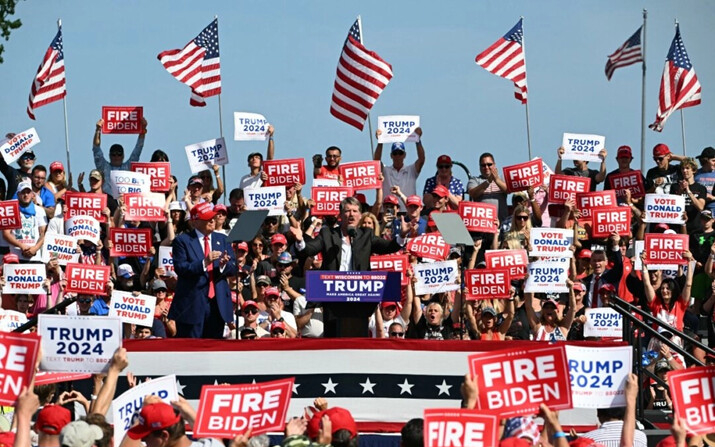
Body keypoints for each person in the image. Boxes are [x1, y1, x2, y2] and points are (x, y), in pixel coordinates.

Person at [169, 202, 238, 338]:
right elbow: (181, 268)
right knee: (191, 352)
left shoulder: (223, 239)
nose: (212, 220)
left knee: (214, 351)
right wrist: (204, 263)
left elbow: (234, 267)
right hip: (191, 306)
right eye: (207, 218)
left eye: (213, 217)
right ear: (195, 222)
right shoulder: (182, 241)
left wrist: (224, 265)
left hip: (217, 306)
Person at [122, 396, 223, 447]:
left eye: (146, 436)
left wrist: (142, 413)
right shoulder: (212, 444)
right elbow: (212, 437)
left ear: (164, 436)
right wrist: (190, 413)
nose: (143, 441)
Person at [92, 116, 148, 195]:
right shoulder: (103, 167)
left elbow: (138, 149)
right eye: (113, 154)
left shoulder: (127, 167)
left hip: (123, 202)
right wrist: (98, 130)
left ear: (123, 156)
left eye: (119, 154)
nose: (116, 157)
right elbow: (96, 149)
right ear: (110, 155)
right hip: (107, 202)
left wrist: (143, 130)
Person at [373, 128, 425, 212]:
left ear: (404, 155)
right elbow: (376, 162)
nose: (398, 156)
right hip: (388, 212)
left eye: (400, 153)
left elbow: (421, 159)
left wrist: (418, 140)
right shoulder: (386, 170)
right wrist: (380, 142)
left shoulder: (411, 170)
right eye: (395, 153)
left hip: (408, 212)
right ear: (391, 155)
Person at [3, 180, 46, 261]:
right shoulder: (10, 209)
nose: (26, 195)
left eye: (28, 192)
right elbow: (6, 234)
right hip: (16, 257)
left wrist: (35, 249)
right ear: (18, 194)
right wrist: (21, 246)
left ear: (32, 194)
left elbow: (43, 234)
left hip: (35, 258)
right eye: (23, 192)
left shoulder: (40, 210)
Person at [468, 153, 509, 221]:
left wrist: (496, 180)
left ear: (494, 165)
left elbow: (508, 190)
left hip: (501, 224)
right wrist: (488, 181)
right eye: (483, 165)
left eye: (489, 164)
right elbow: (473, 194)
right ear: (479, 167)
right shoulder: (474, 180)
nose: (486, 167)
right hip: (482, 224)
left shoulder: (502, 178)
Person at [238, 125, 275, 189]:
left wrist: (271, 137)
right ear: (248, 164)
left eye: (257, 157)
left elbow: (270, 158)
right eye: (251, 158)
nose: (254, 159)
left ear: (261, 162)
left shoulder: (264, 173)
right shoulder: (244, 179)